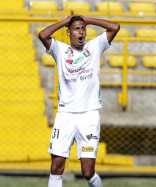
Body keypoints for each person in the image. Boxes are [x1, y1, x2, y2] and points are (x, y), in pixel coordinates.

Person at [38, 15, 120, 187]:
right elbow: (43, 35)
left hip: (89, 116)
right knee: (56, 166)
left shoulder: (95, 46)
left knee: (87, 172)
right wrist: (63, 21)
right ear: (69, 32)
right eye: (77, 28)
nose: (81, 32)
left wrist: (89, 19)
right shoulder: (60, 50)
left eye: (83, 28)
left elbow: (115, 27)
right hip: (65, 115)